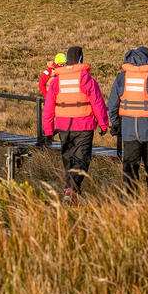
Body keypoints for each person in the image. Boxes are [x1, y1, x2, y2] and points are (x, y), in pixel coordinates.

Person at [105, 47, 148, 195]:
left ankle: (130, 202)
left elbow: (112, 105)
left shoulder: (121, 78)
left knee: (130, 169)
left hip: (129, 133)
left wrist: (116, 124)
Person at [42, 45, 109, 200]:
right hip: (84, 125)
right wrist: (104, 124)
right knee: (82, 159)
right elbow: (98, 104)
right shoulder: (88, 80)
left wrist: (48, 131)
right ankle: (71, 191)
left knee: (69, 159)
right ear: (81, 59)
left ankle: (71, 192)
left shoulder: (56, 81)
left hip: (63, 126)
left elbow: (48, 108)